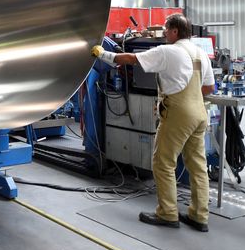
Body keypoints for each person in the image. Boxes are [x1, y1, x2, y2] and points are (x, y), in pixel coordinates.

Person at [91, 13, 214, 232]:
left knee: (163, 162)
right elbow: (208, 89)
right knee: (198, 166)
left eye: (166, 29)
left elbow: (130, 59)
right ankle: (199, 215)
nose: (164, 33)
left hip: (179, 113)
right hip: (199, 112)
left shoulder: (168, 51)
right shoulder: (201, 54)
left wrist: (103, 55)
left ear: (175, 31)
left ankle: (167, 213)